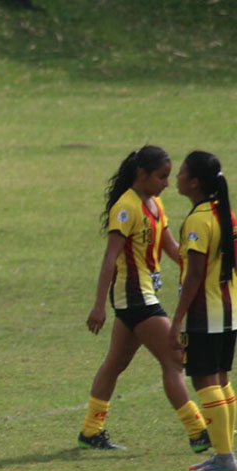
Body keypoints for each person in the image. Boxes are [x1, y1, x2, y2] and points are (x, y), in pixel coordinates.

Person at [79, 146, 209, 452]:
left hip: (142, 296)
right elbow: (110, 258)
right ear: (142, 175)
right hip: (135, 297)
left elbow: (171, 247)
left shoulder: (155, 204)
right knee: (175, 359)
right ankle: (198, 432)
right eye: (161, 176)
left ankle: (90, 430)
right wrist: (99, 304)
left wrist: (199, 266)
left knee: (116, 363)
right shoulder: (126, 208)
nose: (167, 182)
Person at [169, 152, 237, 471]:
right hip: (230, 310)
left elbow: (194, 275)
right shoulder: (227, 215)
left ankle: (224, 458)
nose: (177, 177)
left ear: (194, 182)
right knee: (222, 378)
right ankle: (225, 453)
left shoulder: (197, 220)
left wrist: (178, 319)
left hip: (205, 313)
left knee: (205, 379)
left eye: (181, 172)